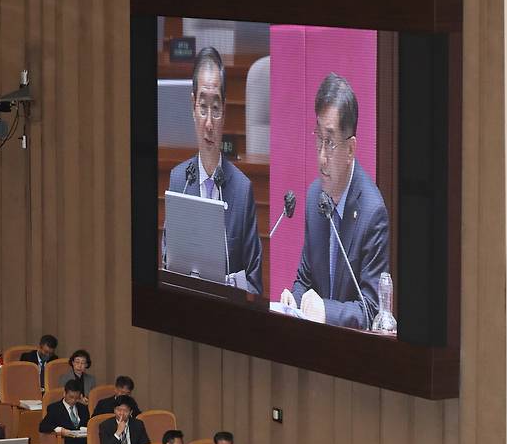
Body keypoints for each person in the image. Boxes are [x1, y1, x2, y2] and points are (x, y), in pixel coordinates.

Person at [280, 72, 390, 330]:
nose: (320, 156)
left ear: (351, 149)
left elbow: (373, 309)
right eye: (318, 137)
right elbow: (304, 279)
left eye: (329, 142)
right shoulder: (314, 199)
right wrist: (292, 300)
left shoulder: (373, 213)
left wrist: (326, 312)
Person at [167, 47, 263, 294]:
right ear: (192, 106)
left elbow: (254, 285)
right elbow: (167, 268)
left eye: (216, 109)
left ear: (225, 110)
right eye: (203, 107)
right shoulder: (179, 181)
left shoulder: (242, 190)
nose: (209, 123)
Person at [39, 380, 89, 444]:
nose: (73, 400)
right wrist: (60, 430)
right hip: (65, 440)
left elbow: (87, 424)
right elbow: (43, 426)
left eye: (76, 398)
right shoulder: (54, 408)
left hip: (82, 438)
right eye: (71, 397)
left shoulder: (83, 408)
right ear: (64, 393)